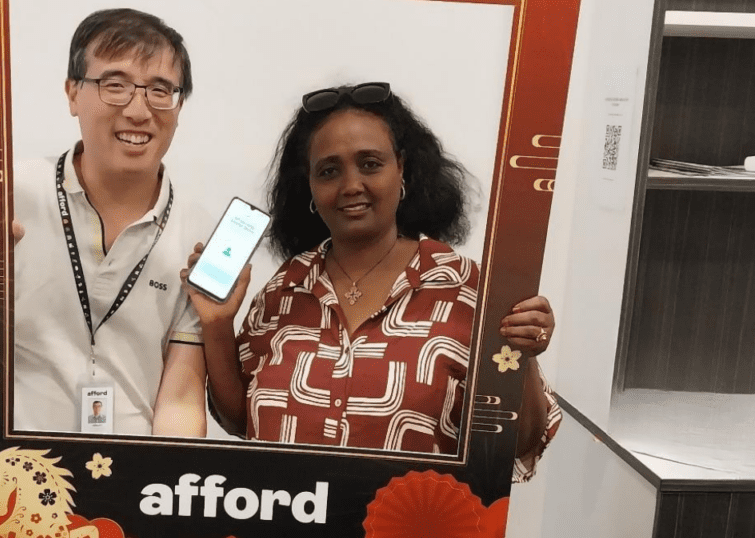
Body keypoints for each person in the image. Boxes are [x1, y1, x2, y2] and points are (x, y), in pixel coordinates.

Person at [185, 82, 559, 481]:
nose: (350, 186)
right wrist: (218, 324)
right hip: (286, 530)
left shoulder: (465, 287)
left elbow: (517, 444)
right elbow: (240, 420)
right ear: (309, 187)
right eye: (329, 171)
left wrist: (523, 355)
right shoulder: (285, 288)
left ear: (403, 171)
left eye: (370, 164)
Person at [0, 9, 209, 437]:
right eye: (115, 85)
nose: (139, 110)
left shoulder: (198, 233)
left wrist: (161, 490)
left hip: (134, 481)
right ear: (73, 93)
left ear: (179, 104)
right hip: (17, 467)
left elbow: (181, 398)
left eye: (160, 90)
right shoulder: (6, 195)